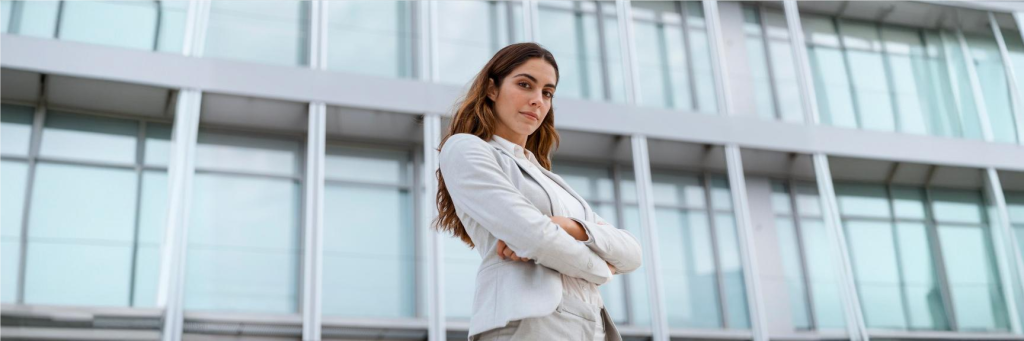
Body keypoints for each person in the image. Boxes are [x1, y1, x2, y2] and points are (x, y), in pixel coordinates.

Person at [434, 42, 643, 341]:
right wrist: (602, 269)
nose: (537, 101)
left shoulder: (548, 177)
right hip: (531, 322)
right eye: (524, 85)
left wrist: (568, 226)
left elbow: (632, 253)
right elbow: (534, 236)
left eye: (547, 93)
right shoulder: (467, 149)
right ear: (492, 89)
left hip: (592, 325)